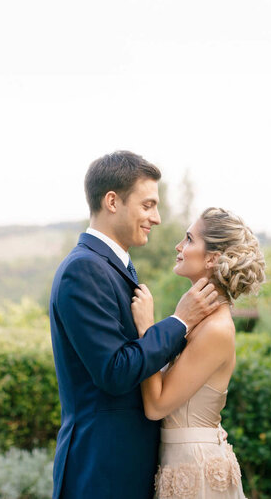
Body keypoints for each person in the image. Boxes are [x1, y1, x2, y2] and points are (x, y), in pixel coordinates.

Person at [49, 151, 221, 499]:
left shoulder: (113, 267)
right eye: (147, 205)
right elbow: (114, 371)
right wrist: (179, 322)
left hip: (125, 466)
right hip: (101, 469)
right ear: (112, 201)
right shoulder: (84, 270)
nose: (156, 218)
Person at [131, 207, 266, 499]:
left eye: (189, 239)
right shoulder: (196, 318)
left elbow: (156, 406)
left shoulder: (216, 329)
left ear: (212, 258)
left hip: (197, 470)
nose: (179, 247)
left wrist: (146, 331)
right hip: (180, 461)